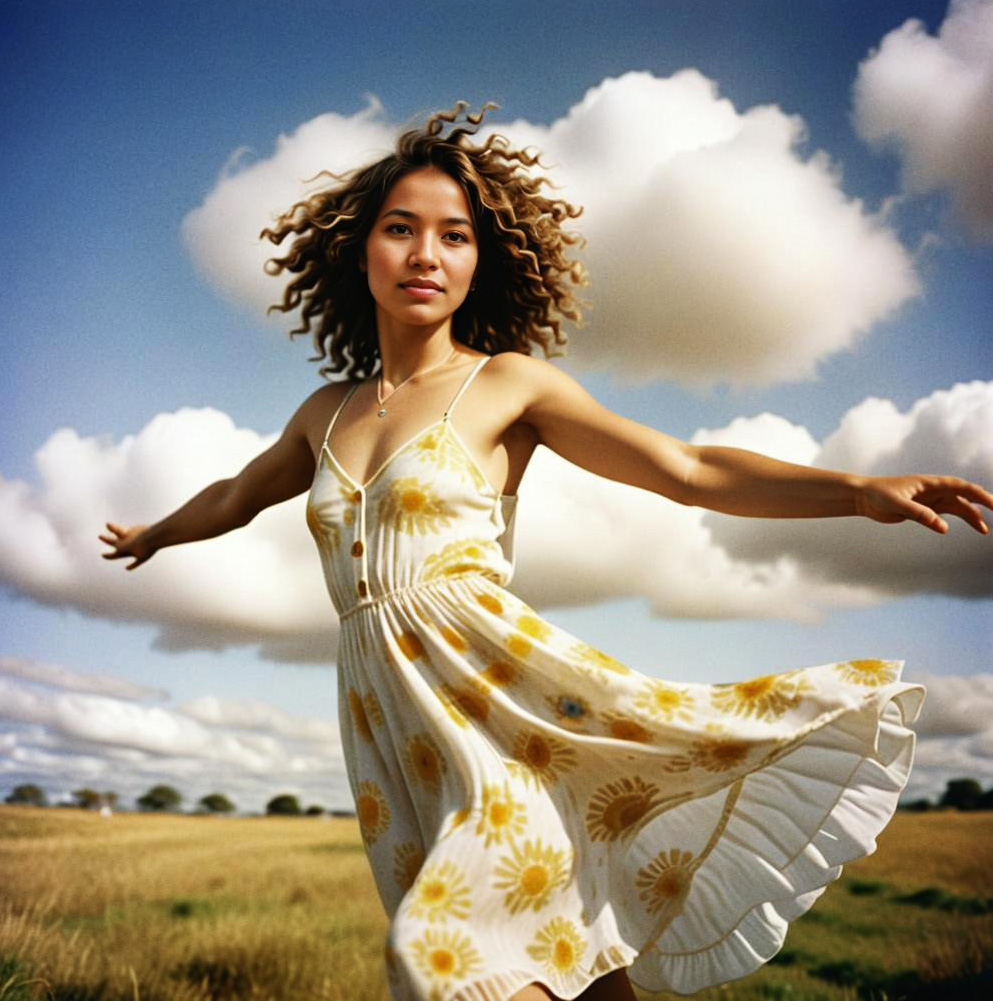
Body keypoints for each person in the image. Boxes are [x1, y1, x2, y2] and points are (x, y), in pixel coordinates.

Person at [100, 103, 991, 1001]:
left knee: (441, 957)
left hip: (506, 705)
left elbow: (682, 468)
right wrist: (155, 533)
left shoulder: (506, 384)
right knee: (569, 960)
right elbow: (235, 496)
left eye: (453, 236)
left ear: (478, 260)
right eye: (400, 229)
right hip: (389, 725)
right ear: (358, 248)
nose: (425, 256)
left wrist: (851, 490)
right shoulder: (322, 413)